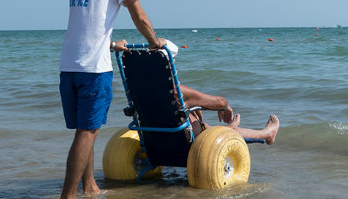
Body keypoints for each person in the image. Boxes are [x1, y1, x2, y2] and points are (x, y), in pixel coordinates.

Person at [58, 0, 166, 199]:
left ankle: (90, 187)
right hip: (94, 68)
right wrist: (155, 42)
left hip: (69, 64)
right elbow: (138, 15)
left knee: (85, 128)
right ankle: (68, 198)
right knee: (88, 130)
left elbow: (86, 23)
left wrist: (111, 43)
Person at [110, 39, 281, 144]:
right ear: (169, 64)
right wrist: (225, 106)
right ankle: (267, 134)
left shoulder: (136, 88)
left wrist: (193, 106)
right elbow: (218, 102)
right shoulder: (176, 92)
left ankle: (228, 128)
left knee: (195, 117)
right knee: (225, 134)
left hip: (155, 141)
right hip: (184, 143)